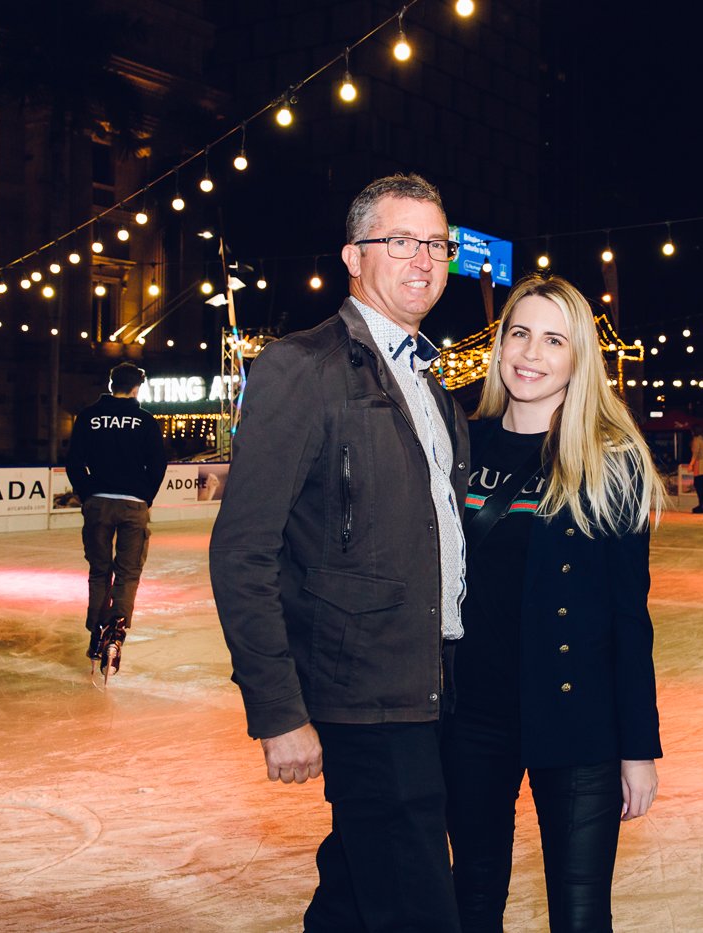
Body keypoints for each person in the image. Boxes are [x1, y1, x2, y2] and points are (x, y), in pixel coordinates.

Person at [209, 173, 468, 931]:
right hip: (364, 695)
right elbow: (244, 551)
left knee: (357, 887)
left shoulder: (430, 381)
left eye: (436, 244)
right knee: (421, 906)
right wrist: (278, 710)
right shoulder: (304, 366)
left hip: (433, 683)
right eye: (401, 241)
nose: (423, 259)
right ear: (354, 256)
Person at [443, 274, 663, 933]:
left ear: (577, 357)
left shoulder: (609, 459)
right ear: (499, 344)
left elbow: (630, 615)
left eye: (552, 339)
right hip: (472, 714)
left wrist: (638, 745)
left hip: (577, 716)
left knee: (579, 911)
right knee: (471, 898)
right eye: (518, 333)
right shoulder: (459, 440)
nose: (530, 353)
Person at [66, 362, 167, 679]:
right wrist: (144, 497)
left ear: (111, 385)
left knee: (100, 571)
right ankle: (117, 630)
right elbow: (158, 465)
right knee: (128, 571)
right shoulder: (146, 421)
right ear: (137, 388)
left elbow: (73, 463)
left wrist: (88, 495)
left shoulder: (88, 417)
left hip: (98, 502)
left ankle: (96, 633)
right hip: (133, 504)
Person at [687, 430, 703, 513]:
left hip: (701, 464)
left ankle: (702, 505)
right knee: (702, 485)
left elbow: (695, 453)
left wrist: (691, 464)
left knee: (699, 484)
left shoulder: (696, 440)